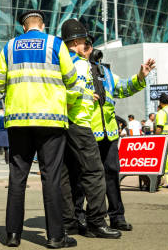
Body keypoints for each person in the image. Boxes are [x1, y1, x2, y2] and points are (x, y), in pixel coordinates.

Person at [0, 10, 79, 248]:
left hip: (18, 121)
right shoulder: (55, 43)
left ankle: (12, 235)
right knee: (51, 177)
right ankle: (55, 237)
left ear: (24, 27)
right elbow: (71, 78)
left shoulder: (9, 47)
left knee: (17, 178)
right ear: (42, 25)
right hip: (50, 120)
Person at [59, 19, 121, 240]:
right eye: (85, 43)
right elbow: (74, 93)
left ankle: (69, 222)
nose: (87, 48)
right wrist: (86, 95)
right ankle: (97, 222)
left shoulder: (58, 62)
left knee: (66, 175)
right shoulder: (81, 64)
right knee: (94, 173)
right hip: (80, 123)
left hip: (61, 124)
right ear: (76, 42)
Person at [87, 47, 154, 231]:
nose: (92, 52)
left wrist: (140, 77)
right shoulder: (78, 69)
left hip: (109, 133)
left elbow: (123, 88)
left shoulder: (105, 72)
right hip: (88, 132)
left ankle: (117, 216)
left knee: (111, 175)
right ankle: (83, 218)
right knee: (86, 178)